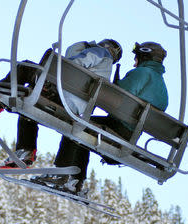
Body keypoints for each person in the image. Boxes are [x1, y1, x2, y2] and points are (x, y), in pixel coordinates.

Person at [0, 39, 123, 172]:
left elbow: (75, 64)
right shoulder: (106, 72)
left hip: (62, 96)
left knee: (26, 67)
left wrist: (52, 75)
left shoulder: (100, 53)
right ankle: (25, 151)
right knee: (29, 108)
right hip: (72, 106)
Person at [33, 41, 169, 194]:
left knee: (77, 125)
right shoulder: (162, 87)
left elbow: (116, 97)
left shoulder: (142, 73)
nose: (134, 62)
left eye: (136, 57)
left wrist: (115, 84)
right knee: (84, 133)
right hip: (131, 134)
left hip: (118, 126)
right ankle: (74, 182)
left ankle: (61, 173)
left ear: (145, 55)